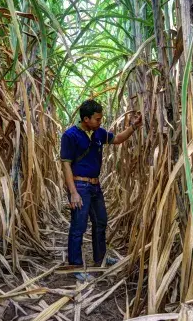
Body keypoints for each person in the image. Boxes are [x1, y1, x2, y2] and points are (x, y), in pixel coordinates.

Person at [60, 100, 142, 281]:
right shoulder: (70, 136)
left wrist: (133, 127)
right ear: (86, 118)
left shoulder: (98, 133)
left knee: (101, 222)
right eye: (97, 119)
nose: (100, 122)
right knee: (78, 226)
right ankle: (75, 265)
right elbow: (66, 166)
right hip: (80, 186)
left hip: (95, 186)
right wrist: (73, 192)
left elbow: (118, 139)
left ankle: (100, 258)